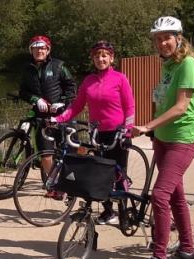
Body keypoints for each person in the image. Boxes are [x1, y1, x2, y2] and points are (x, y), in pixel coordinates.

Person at [129, 16, 194, 259]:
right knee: (175, 196)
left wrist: (148, 125)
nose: (162, 43)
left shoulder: (188, 65)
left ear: (178, 38)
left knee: (160, 195)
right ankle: (187, 251)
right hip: (163, 138)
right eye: (158, 39)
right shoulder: (169, 66)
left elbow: (181, 106)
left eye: (167, 38)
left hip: (183, 139)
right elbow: (161, 100)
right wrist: (154, 131)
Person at [52, 40, 136, 225]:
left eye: (105, 55)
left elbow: (129, 106)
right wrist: (58, 119)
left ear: (111, 58)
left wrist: (128, 131)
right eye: (97, 56)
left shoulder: (120, 79)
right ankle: (108, 212)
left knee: (118, 173)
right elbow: (77, 105)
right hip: (96, 133)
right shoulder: (89, 80)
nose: (101, 59)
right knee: (99, 173)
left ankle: (124, 214)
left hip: (117, 133)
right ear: (93, 59)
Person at [18, 35, 77, 200]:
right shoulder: (27, 69)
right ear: (31, 50)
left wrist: (62, 102)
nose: (39, 51)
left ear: (48, 50)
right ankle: (54, 184)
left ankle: (71, 184)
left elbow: (71, 87)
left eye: (42, 48)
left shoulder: (59, 66)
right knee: (45, 153)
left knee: (70, 151)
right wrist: (35, 100)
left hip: (62, 115)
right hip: (42, 117)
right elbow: (23, 92)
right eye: (36, 48)